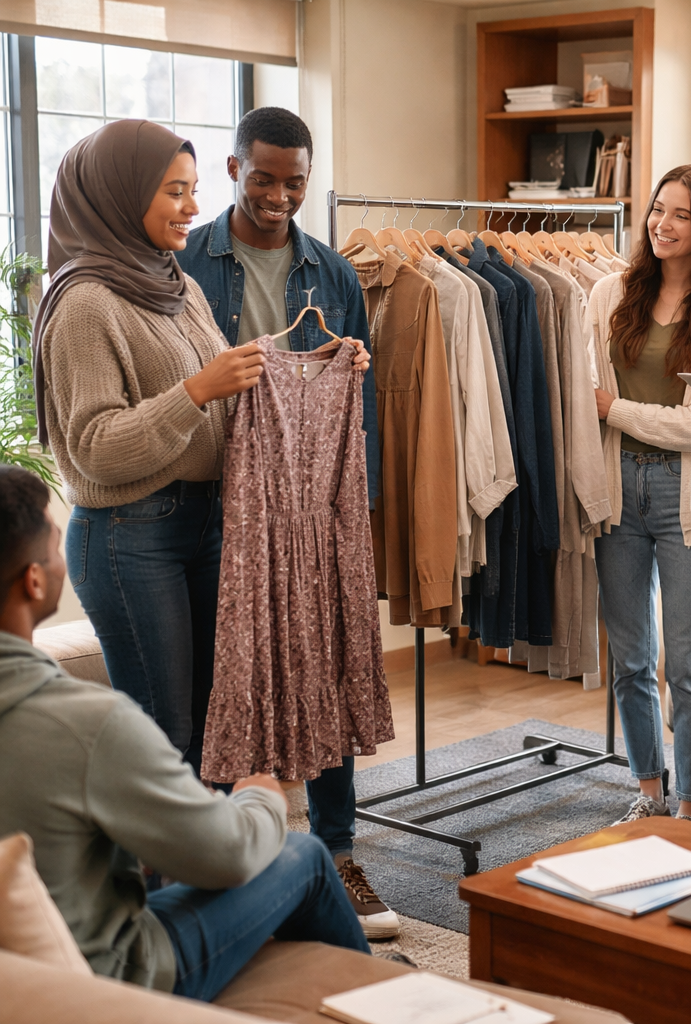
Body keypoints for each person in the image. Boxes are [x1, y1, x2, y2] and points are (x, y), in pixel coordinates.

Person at [0, 465, 371, 1001]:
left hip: (22, 967)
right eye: (57, 544)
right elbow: (230, 855)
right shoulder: (88, 725)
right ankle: (380, 998)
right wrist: (259, 795)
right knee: (304, 856)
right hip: (103, 983)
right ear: (34, 580)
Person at [177, 106, 396, 940]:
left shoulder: (332, 272)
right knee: (228, 679)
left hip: (306, 505)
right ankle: (226, 865)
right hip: (212, 499)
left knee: (325, 663)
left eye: (295, 182)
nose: (279, 195)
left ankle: (337, 854)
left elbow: (355, 394)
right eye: (263, 177)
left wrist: (348, 510)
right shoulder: (185, 264)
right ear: (234, 168)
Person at [591, 165, 691, 824]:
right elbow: (583, 396)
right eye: (658, 209)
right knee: (629, 658)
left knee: (688, 665)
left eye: (681, 214)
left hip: (690, 496)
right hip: (614, 488)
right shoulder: (608, 294)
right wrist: (610, 412)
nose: (663, 223)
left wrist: (616, 410)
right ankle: (649, 791)